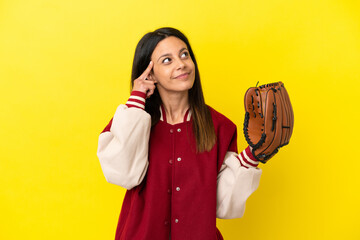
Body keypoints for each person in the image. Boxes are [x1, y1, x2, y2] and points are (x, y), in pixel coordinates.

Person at [97, 27, 262, 240]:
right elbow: (123, 174)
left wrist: (253, 156)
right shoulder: (132, 119)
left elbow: (222, 205)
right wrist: (138, 98)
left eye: (184, 55)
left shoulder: (220, 126)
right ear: (150, 73)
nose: (181, 64)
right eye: (167, 60)